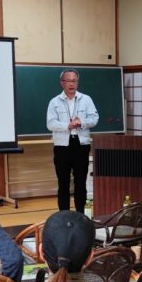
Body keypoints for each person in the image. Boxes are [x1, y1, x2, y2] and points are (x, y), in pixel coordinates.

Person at [47, 69, 99, 212]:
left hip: (81, 145)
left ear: (77, 82)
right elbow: (50, 124)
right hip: (62, 146)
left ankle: (80, 215)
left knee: (80, 182)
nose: (72, 84)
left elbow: (94, 119)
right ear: (62, 83)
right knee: (63, 182)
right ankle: (64, 215)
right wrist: (68, 126)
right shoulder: (54, 102)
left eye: (74, 81)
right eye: (68, 81)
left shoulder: (86, 99)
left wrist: (81, 122)